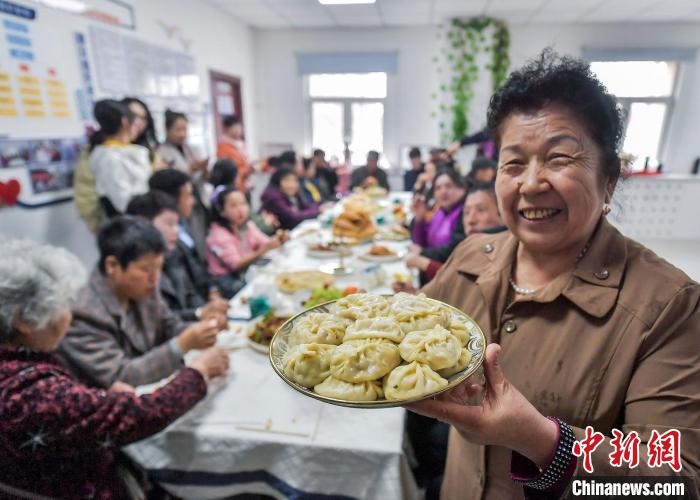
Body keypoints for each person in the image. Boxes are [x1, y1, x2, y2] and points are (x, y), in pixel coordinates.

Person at [409, 50, 700, 499]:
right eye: (513, 163)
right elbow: (408, 329)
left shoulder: (669, 306)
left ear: (609, 179)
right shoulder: (470, 256)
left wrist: (545, 442)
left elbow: (677, 479)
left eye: (559, 158)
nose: (530, 183)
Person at [0, 239, 228, 499]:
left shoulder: (22, 366)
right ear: (23, 321)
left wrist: (98, 399)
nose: (69, 314)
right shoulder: (31, 394)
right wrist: (197, 373)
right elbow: (145, 413)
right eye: (61, 304)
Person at [57, 216, 227, 388]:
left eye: (159, 267)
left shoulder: (143, 287)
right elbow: (121, 375)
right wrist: (182, 344)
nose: (155, 278)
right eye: (145, 269)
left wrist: (203, 329)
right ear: (112, 265)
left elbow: (169, 325)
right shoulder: (83, 313)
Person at [126, 191, 229, 324]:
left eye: (177, 225)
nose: (176, 231)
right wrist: (198, 314)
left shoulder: (174, 252)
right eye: (169, 224)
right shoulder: (136, 271)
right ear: (145, 224)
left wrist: (207, 310)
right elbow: (160, 319)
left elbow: (190, 292)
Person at [404, 182, 505, 283]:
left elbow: (465, 285)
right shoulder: (439, 213)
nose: (470, 220)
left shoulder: (503, 254)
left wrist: (424, 262)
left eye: (481, 210)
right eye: (467, 212)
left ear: (503, 215)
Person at [207, 187, 285, 298]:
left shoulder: (246, 225)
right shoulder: (218, 235)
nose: (241, 209)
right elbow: (236, 265)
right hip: (228, 280)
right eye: (234, 206)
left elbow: (265, 242)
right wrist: (263, 250)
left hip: (246, 270)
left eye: (243, 204)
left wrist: (280, 239)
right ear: (222, 211)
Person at [89, 99, 151, 216]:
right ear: (125, 122)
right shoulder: (109, 157)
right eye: (135, 121)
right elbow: (124, 203)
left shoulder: (124, 151)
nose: (139, 126)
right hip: (131, 220)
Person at [149, 168, 209, 267]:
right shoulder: (164, 240)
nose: (193, 201)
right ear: (172, 199)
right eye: (188, 195)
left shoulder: (184, 224)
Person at [411, 168, 466, 250]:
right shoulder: (440, 211)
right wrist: (419, 217)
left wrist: (422, 252)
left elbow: (452, 250)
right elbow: (422, 242)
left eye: (448, 186)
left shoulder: (465, 213)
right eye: (438, 188)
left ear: (461, 189)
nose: (443, 191)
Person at [261, 167, 327, 230]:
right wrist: (317, 210)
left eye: (294, 180)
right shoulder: (274, 198)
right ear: (278, 182)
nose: (291, 184)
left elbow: (305, 206)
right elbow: (294, 217)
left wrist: (319, 206)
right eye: (287, 180)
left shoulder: (293, 194)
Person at [157, 109, 208, 177]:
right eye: (178, 129)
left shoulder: (191, 149)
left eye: (184, 129)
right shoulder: (160, 151)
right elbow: (167, 178)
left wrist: (205, 171)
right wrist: (190, 170)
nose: (182, 134)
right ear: (167, 130)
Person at [216, 114, 252, 193]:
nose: (238, 130)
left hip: (245, 185)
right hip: (234, 186)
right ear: (226, 129)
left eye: (239, 127)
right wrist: (249, 169)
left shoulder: (241, 144)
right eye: (234, 127)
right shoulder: (223, 146)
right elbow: (230, 170)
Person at [121, 97, 160, 165]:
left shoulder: (149, 150)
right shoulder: (110, 148)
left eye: (143, 118)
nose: (138, 122)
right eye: (133, 115)